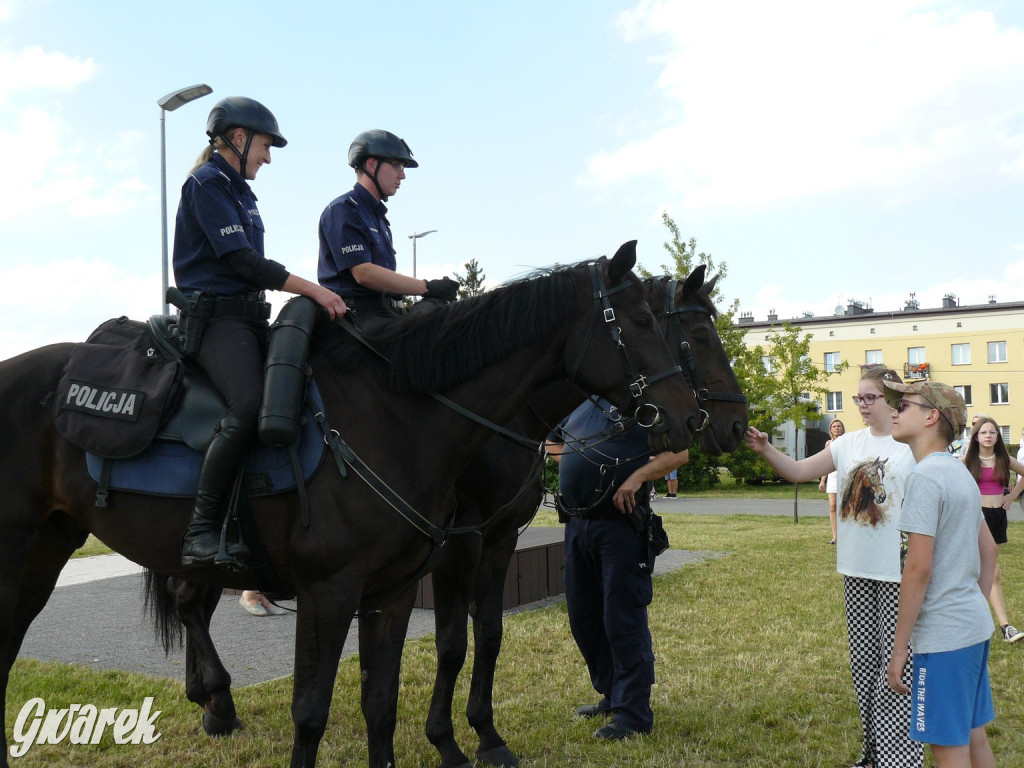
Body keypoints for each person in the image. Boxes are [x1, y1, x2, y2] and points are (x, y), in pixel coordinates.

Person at [174, 97, 347, 568]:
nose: (267, 158)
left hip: (248, 318)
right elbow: (242, 262)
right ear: (237, 137)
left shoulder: (241, 193)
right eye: (265, 146)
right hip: (216, 321)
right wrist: (311, 288)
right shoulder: (207, 183)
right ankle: (200, 532)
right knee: (249, 405)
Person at [746, 367, 922, 768]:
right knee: (863, 667)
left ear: (891, 398)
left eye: (869, 398)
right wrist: (765, 449)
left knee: (895, 670)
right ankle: (873, 755)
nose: (860, 405)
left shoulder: (911, 445)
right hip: (857, 571)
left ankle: (900, 761)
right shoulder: (846, 444)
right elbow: (798, 471)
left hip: (898, 572)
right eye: (857, 398)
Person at [546, 398, 687, 741]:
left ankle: (634, 714)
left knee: (622, 618)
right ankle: (612, 695)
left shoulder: (643, 409)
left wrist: (637, 476)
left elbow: (679, 453)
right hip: (578, 523)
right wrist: (579, 461)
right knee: (585, 617)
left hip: (621, 526)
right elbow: (551, 440)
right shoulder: (581, 406)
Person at [883, 380, 999, 767]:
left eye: (905, 405)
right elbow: (989, 548)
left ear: (932, 416)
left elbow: (918, 568)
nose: (895, 411)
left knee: (948, 749)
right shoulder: (958, 473)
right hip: (972, 627)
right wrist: (971, 606)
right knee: (972, 735)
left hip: (944, 640)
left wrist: (900, 648)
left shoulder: (926, 478)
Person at [318, 130, 459, 320]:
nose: (402, 175)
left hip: (384, 314)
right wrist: (427, 287)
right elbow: (364, 273)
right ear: (372, 164)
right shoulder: (343, 210)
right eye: (397, 165)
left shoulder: (379, 218)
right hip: (355, 319)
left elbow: (385, 279)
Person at [962, 416, 1024, 643]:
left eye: (992, 432)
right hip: (977, 518)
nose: (988, 436)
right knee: (991, 571)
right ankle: (1004, 626)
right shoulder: (967, 461)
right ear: (976, 437)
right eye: (983, 432)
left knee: (987, 570)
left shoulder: (1003, 459)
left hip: (998, 516)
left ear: (998, 436)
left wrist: (1012, 497)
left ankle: (982, 623)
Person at [818, 418, 847, 544]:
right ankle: (835, 537)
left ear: (842, 428)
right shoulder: (828, 444)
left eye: (839, 426)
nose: (836, 428)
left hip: (844, 476)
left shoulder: (847, 442)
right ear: (830, 429)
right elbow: (826, 463)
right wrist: (822, 480)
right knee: (833, 506)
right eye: (834, 426)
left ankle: (846, 535)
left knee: (845, 506)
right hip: (832, 476)